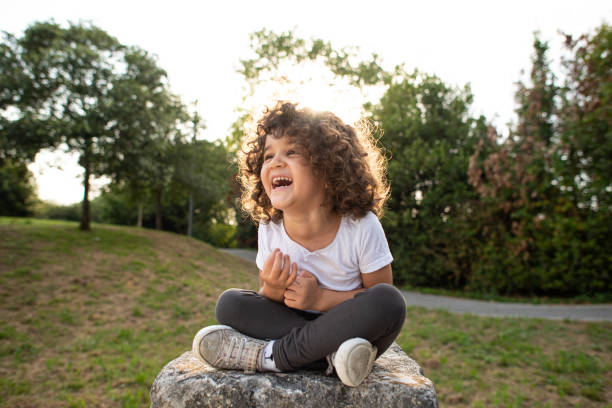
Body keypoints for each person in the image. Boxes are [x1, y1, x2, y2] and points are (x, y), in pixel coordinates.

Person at [192, 101, 406, 387]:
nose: (276, 162)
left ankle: (272, 357)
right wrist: (273, 288)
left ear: (328, 167)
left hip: (349, 328)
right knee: (230, 304)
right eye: (268, 156)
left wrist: (319, 299)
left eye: (291, 152)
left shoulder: (361, 225)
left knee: (389, 303)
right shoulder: (271, 228)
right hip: (303, 329)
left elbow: (377, 292)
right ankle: (328, 357)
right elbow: (270, 300)